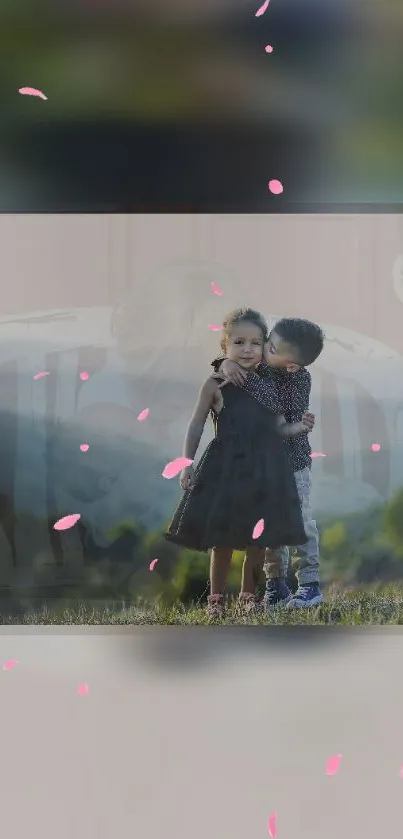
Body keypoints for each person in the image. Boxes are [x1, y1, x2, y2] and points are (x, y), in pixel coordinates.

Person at [165, 307, 314, 619]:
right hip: (226, 470)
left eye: (256, 343)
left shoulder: (269, 382)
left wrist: (297, 428)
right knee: (222, 539)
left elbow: (277, 425)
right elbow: (196, 425)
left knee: (258, 538)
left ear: (265, 346)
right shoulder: (215, 384)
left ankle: (250, 596)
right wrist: (186, 463)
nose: (247, 349)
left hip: (264, 469)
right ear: (225, 346)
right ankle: (216, 600)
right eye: (239, 343)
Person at [212, 317, 325, 609]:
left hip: (294, 464)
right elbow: (237, 363)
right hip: (265, 464)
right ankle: (276, 586)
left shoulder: (298, 379)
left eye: (270, 348)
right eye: (267, 342)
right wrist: (226, 363)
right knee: (271, 527)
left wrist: (240, 373)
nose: (261, 351)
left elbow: (272, 402)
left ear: (291, 364)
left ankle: (309, 585)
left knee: (299, 522)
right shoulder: (266, 368)